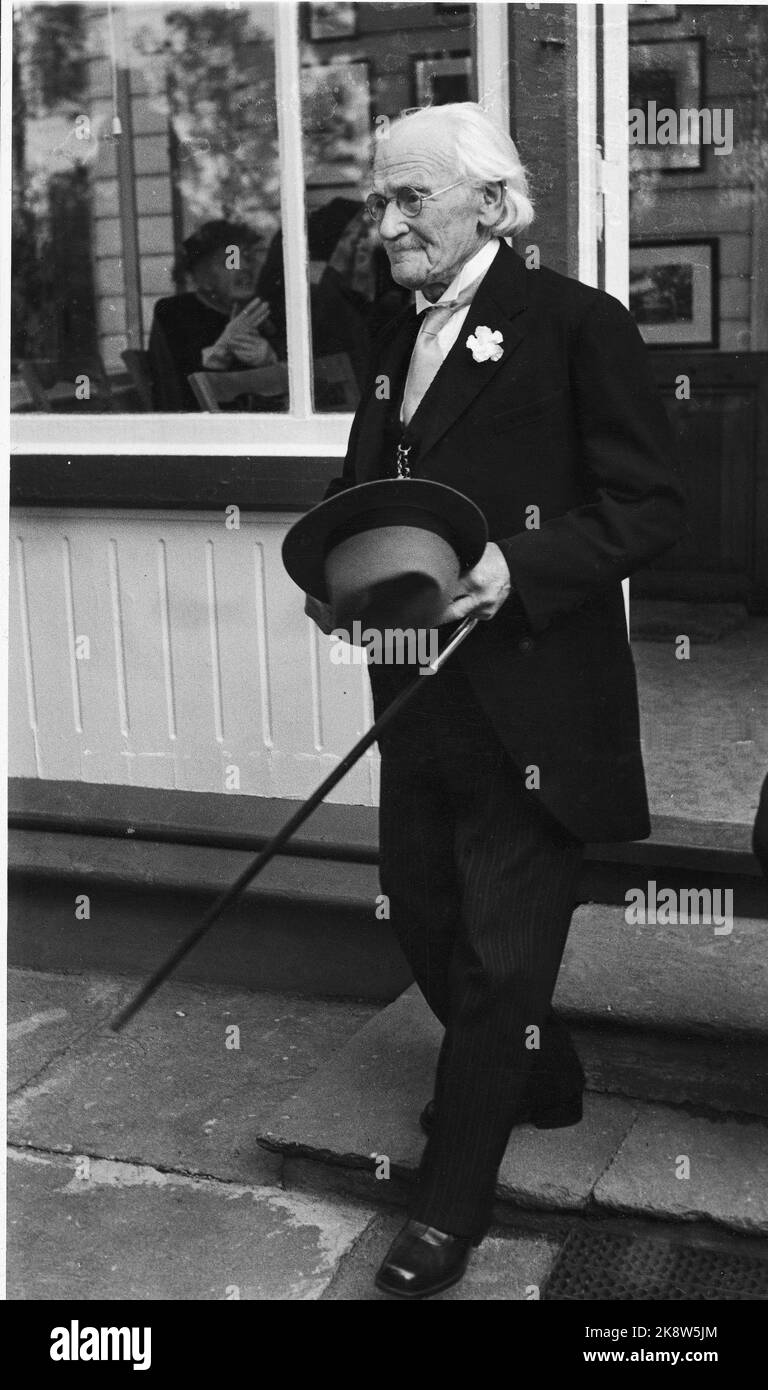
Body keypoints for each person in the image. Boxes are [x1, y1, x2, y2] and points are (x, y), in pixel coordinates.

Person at [304, 102, 685, 1299]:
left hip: (537, 700)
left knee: (498, 958)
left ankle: (447, 1208)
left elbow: (647, 503)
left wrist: (517, 567)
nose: (387, 220)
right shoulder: (391, 327)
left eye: (411, 197)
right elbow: (368, 481)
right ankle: (545, 1074)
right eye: (380, 199)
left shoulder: (579, 325)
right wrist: (332, 569)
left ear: (490, 201)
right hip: (415, 682)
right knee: (417, 903)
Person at [148, 220, 277, 411]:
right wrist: (216, 358)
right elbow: (173, 396)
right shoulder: (173, 313)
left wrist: (271, 359)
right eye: (230, 259)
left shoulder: (263, 310)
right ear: (203, 276)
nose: (244, 267)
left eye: (248, 257)